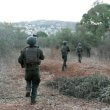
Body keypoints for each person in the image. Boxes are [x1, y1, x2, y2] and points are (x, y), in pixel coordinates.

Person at [18, 36, 44, 105]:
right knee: (35, 85)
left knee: (28, 81)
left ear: (28, 42)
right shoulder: (38, 50)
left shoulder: (24, 50)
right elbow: (43, 58)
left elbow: (19, 60)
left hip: (28, 70)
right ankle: (33, 101)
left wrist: (23, 64)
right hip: (36, 70)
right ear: (35, 42)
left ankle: (28, 89)